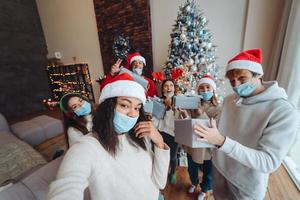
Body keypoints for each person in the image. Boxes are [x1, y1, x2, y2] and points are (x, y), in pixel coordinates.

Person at [193, 49, 299, 200]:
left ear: (259, 75)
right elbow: (218, 128)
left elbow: (268, 162)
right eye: (232, 81)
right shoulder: (230, 100)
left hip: (245, 186)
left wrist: (221, 141)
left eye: (242, 78)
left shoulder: (283, 111)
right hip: (219, 172)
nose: (236, 85)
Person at [48, 73, 170, 200]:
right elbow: (66, 187)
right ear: (108, 107)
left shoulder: (140, 135)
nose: (133, 114)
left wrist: (159, 142)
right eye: (124, 105)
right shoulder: (88, 146)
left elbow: (160, 183)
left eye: (137, 108)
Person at [180, 75, 221, 200]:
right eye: (202, 88)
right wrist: (185, 115)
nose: (205, 91)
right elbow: (187, 124)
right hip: (193, 145)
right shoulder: (192, 105)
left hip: (208, 147)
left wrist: (201, 114)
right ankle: (194, 182)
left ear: (213, 90)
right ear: (198, 91)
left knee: (208, 173)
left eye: (208, 87)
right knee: (192, 169)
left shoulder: (219, 108)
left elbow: (216, 128)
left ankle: (204, 190)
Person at [152, 79, 180, 185]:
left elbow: (172, 124)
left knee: (172, 156)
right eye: (166, 86)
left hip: (173, 135)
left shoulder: (178, 103)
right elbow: (156, 121)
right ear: (162, 88)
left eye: (171, 85)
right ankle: (162, 172)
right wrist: (154, 120)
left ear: (174, 88)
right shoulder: (157, 102)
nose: (168, 88)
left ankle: (172, 172)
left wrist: (169, 109)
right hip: (160, 133)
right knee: (159, 154)